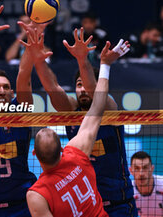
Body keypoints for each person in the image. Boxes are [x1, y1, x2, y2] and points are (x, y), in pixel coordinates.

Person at [33, 27, 138, 216]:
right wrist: (39, 61)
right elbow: (52, 87)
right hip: (85, 204)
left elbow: (93, 90)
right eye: (78, 85)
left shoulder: (108, 106)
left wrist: (83, 59)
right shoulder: (71, 110)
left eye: (85, 84)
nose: (82, 90)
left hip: (118, 200)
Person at [0, 0, 48, 216]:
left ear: (12, 94)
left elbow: (23, 74)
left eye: (6, 87)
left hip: (22, 205)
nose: (2, 90)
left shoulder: (21, 111)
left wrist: (33, 38)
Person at [129, 151, 163, 217]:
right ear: (131, 171)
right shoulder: (128, 191)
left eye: (145, 168)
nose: (141, 173)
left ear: (152, 169)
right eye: (136, 168)